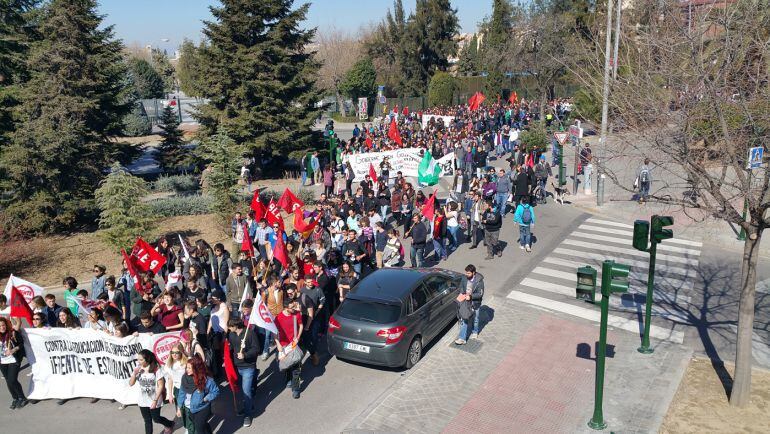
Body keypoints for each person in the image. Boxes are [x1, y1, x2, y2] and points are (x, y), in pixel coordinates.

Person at [129, 349, 174, 434]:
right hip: (143, 400)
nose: (139, 361)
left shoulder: (156, 368)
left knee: (156, 419)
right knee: (147, 420)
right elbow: (131, 384)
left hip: (155, 399)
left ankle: (169, 424)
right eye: (138, 359)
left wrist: (155, 400)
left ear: (147, 359)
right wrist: (134, 374)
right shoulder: (138, 368)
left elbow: (160, 386)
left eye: (141, 360)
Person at [227, 318, 259, 427]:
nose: (229, 329)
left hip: (248, 367)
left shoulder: (250, 334)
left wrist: (245, 355)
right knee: (244, 390)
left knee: (246, 391)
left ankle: (247, 415)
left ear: (236, 326)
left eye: (230, 326)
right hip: (238, 367)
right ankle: (249, 407)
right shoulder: (231, 335)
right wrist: (227, 360)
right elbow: (231, 348)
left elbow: (256, 349)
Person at [176, 356, 219, 434]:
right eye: (186, 367)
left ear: (196, 368)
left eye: (189, 368)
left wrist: (206, 398)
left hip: (202, 408)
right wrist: (179, 407)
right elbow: (181, 393)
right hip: (190, 408)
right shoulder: (185, 378)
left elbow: (215, 391)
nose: (186, 370)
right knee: (203, 425)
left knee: (199, 429)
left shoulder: (206, 380)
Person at [275, 297, 303, 399]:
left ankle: (296, 389)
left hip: (293, 345)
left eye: (294, 306)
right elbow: (275, 332)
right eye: (292, 307)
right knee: (286, 366)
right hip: (283, 346)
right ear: (286, 308)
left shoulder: (297, 314)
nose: (294, 309)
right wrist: (277, 344)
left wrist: (298, 337)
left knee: (296, 369)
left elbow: (301, 325)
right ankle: (288, 380)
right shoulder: (278, 318)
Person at [164, 343, 191, 434]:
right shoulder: (169, 364)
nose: (174, 354)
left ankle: (189, 427)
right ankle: (186, 425)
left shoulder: (187, 362)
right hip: (177, 389)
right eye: (172, 352)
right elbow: (170, 379)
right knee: (180, 410)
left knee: (187, 409)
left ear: (181, 352)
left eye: (177, 352)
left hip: (188, 389)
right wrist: (170, 394)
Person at [0, 317, 27, 409]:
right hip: (2, 361)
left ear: (6, 325)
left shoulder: (13, 333)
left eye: (3, 325)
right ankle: (15, 398)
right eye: (0, 326)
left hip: (13, 360)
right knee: (8, 381)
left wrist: (13, 349)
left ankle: (22, 398)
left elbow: (21, 344)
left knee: (12, 380)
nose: (2, 327)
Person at [454, 264, 484, 345]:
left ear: (473, 273)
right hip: (466, 302)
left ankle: (475, 331)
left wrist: (470, 296)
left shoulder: (479, 281)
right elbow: (462, 287)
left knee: (476, 318)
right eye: (466, 273)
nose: (467, 275)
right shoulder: (464, 278)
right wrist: (461, 294)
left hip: (475, 302)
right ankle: (462, 338)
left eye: (468, 273)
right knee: (465, 319)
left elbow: (480, 294)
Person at [300, 278, 324, 366]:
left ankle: (314, 353)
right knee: (305, 336)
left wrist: (318, 310)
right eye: (308, 282)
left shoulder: (318, 289)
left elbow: (322, 300)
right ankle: (308, 348)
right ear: (305, 282)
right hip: (305, 316)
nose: (310, 283)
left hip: (315, 316)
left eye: (311, 282)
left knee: (313, 335)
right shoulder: (302, 290)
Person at [207, 290, 229, 378]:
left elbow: (226, 322)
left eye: (214, 298)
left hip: (222, 333)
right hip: (214, 334)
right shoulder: (213, 307)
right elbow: (211, 319)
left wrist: (225, 336)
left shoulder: (224, 307)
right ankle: (218, 371)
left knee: (222, 353)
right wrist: (208, 330)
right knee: (216, 353)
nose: (212, 300)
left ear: (219, 298)